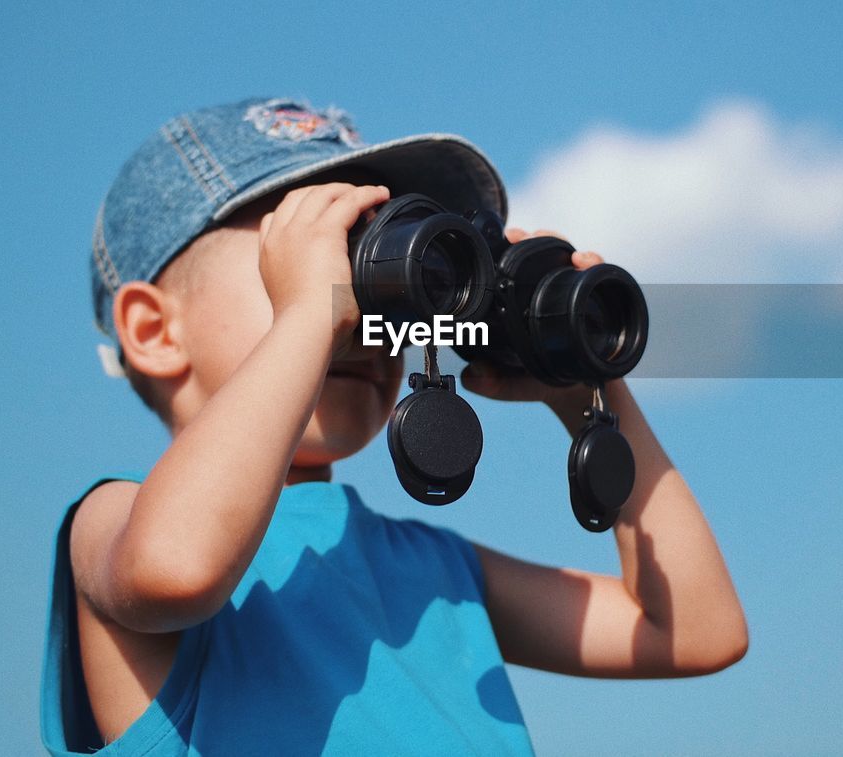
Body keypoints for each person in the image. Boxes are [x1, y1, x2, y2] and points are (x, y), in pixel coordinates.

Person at [40, 96, 747, 755]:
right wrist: (309, 315)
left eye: (380, 259)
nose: (357, 309)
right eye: (321, 249)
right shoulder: (115, 524)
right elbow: (179, 567)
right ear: (153, 329)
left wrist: (585, 379)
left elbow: (694, 630)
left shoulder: (437, 569)